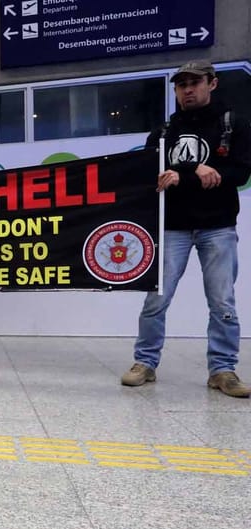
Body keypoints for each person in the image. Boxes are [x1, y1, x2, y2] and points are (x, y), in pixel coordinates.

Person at [122, 60, 251, 398]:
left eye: (195, 82)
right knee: (155, 299)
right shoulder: (164, 132)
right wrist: (181, 175)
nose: (188, 89)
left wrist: (205, 174)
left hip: (218, 227)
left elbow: (241, 173)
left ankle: (222, 370)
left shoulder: (233, 124)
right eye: (181, 84)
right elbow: (146, 177)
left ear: (213, 83)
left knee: (222, 301)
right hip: (172, 228)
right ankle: (145, 362)